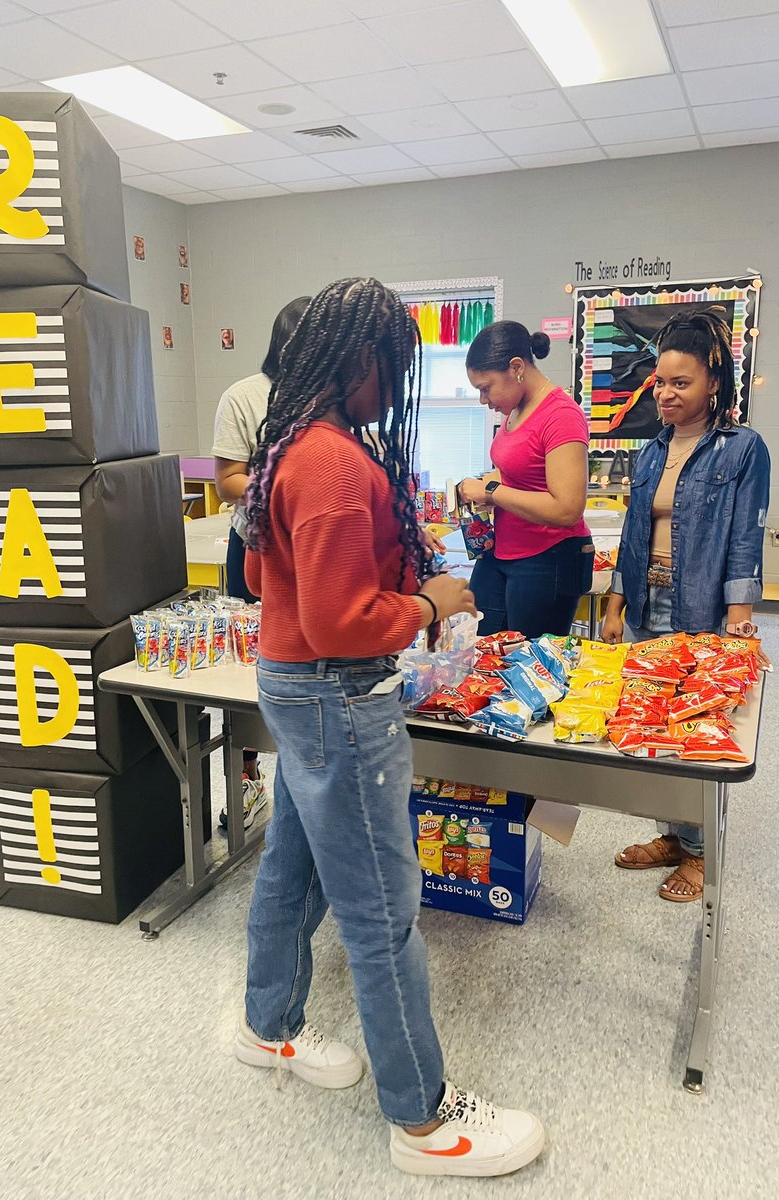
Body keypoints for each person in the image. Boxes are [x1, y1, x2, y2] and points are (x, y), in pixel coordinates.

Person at [236, 277, 545, 1179]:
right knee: (380, 910)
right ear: (362, 360)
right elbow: (340, 621)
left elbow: (266, 583)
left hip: (295, 687)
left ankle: (270, 1027)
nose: (399, 383)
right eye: (398, 365)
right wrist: (424, 601)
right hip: (337, 691)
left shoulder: (288, 442)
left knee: (292, 871)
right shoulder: (330, 460)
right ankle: (424, 1118)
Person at [601, 310, 771, 902]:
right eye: (661, 381)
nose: (667, 394)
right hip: (648, 602)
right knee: (652, 721)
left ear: (713, 384)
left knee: (697, 727)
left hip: (701, 607)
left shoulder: (743, 449)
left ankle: (700, 853)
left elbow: (746, 535)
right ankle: (672, 836)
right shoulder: (650, 452)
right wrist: (617, 600)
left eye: (682, 383)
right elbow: (631, 532)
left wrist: (739, 616)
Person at [211, 296, 310, 830]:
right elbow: (227, 480)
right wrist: (289, 491)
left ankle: (300, 774)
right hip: (255, 544)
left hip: (314, 547)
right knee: (248, 661)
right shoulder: (245, 397)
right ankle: (246, 777)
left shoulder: (328, 399)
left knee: (307, 655)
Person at [458, 322, 594, 639]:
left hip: (548, 558)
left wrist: (492, 492)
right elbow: (525, 475)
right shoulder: (516, 408)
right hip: (504, 552)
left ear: (516, 367)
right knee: (480, 649)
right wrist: (487, 488)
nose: (482, 399)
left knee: (531, 668)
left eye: (485, 387)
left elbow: (567, 509)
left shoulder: (561, 414)